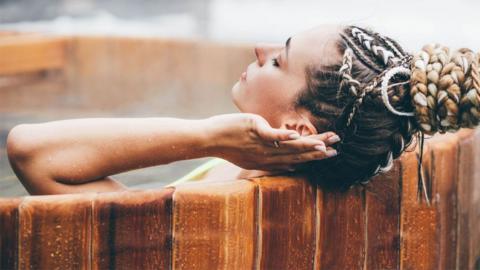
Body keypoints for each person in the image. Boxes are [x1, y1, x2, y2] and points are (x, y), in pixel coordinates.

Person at [6, 23, 480, 195]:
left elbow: (30, 151)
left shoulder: (204, 216)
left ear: (297, 127)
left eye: (279, 60)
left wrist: (208, 136)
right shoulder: (249, 184)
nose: (259, 48)